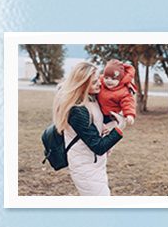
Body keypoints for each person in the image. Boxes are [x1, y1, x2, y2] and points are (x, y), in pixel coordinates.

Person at [51, 61, 127, 196]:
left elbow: (97, 121)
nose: (99, 84)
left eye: (99, 79)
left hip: (96, 163)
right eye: (94, 82)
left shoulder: (91, 99)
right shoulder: (77, 111)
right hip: (85, 167)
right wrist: (119, 127)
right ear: (82, 85)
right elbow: (98, 146)